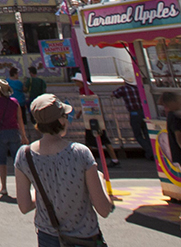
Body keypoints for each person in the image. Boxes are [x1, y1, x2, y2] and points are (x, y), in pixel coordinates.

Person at [15, 93, 113, 246]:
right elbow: (104, 209)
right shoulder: (80, 153)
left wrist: (42, 191)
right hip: (84, 238)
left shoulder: (24, 155)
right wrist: (101, 180)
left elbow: (25, 206)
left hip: (48, 237)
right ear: (60, 120)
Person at [0, 78, 26, 198]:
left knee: (2, 161)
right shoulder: (14, 102)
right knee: (17, 161)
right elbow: (19, 119)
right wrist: (24, 136)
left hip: (0, 133)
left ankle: (4, 187)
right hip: (14, 132)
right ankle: (22, 187)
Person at [111, 80, 151, 157]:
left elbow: (114, 94)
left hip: (134, 113)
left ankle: (149, 151)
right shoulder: (138, 88)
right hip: (144, 112)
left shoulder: (124, 88)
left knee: (137, 134)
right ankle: (152, 150)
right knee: (146, 132)